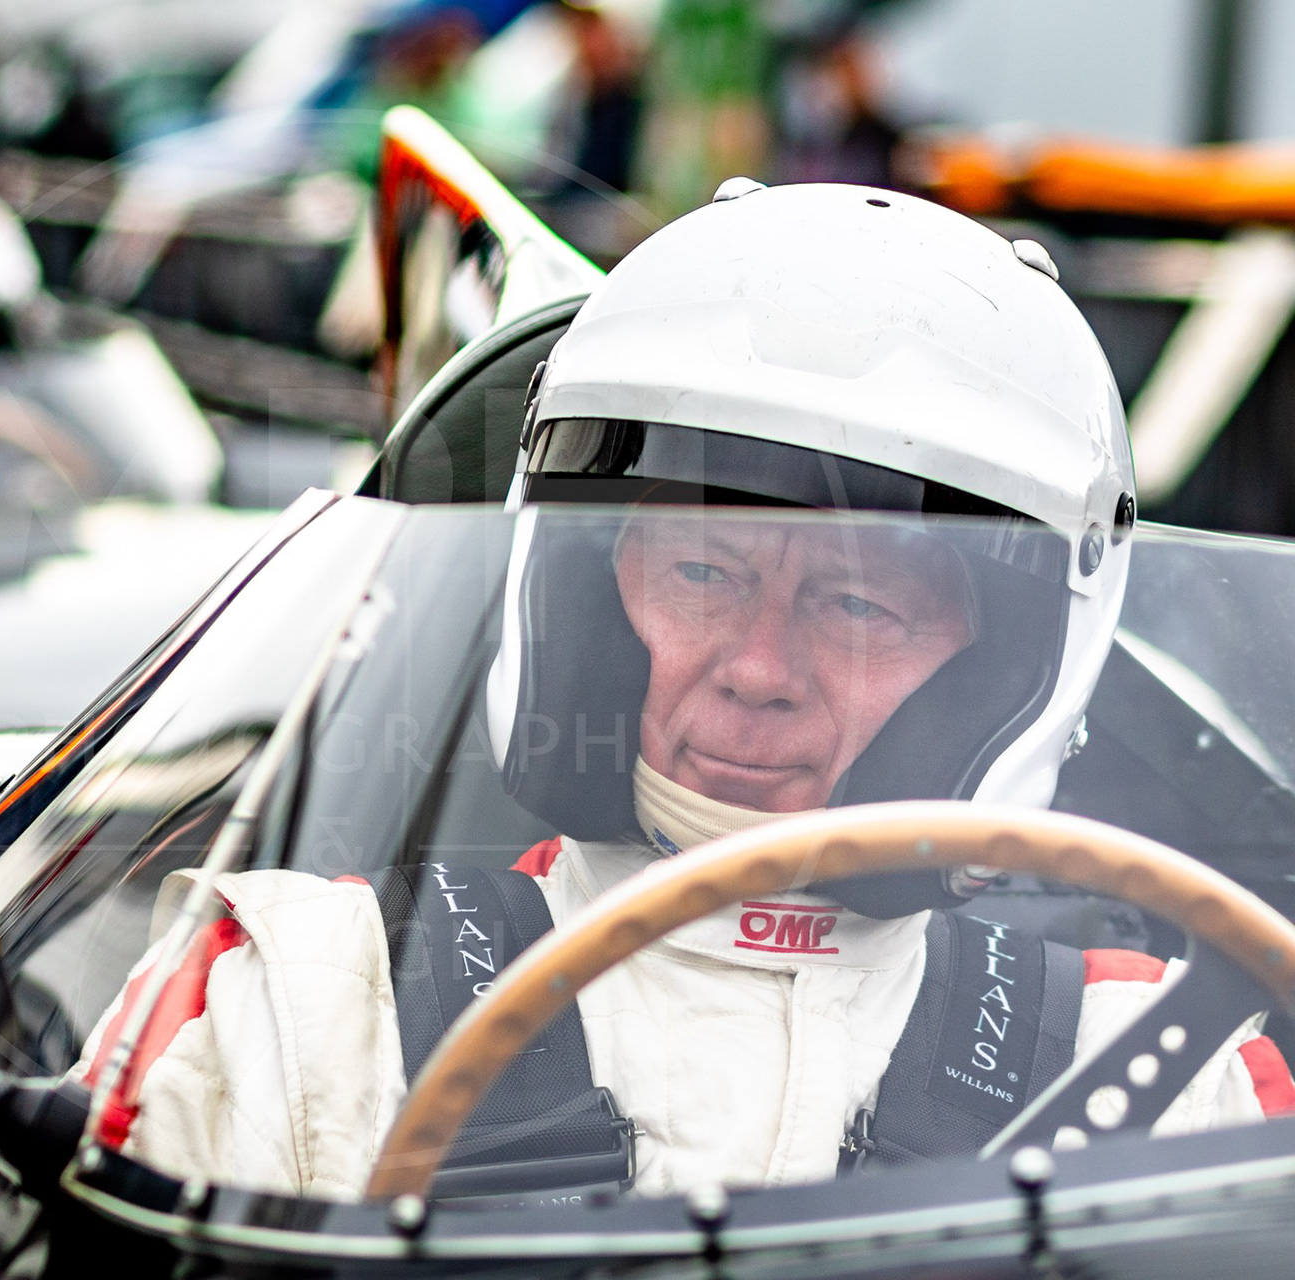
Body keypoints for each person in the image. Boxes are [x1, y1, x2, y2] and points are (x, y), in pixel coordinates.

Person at [74, 181, 1295, 1201]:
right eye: (705, 571)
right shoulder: (302, 999)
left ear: (997, 671)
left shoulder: (1160, 1073)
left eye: (859, 605)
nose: (759, 668)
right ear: (588, 603)